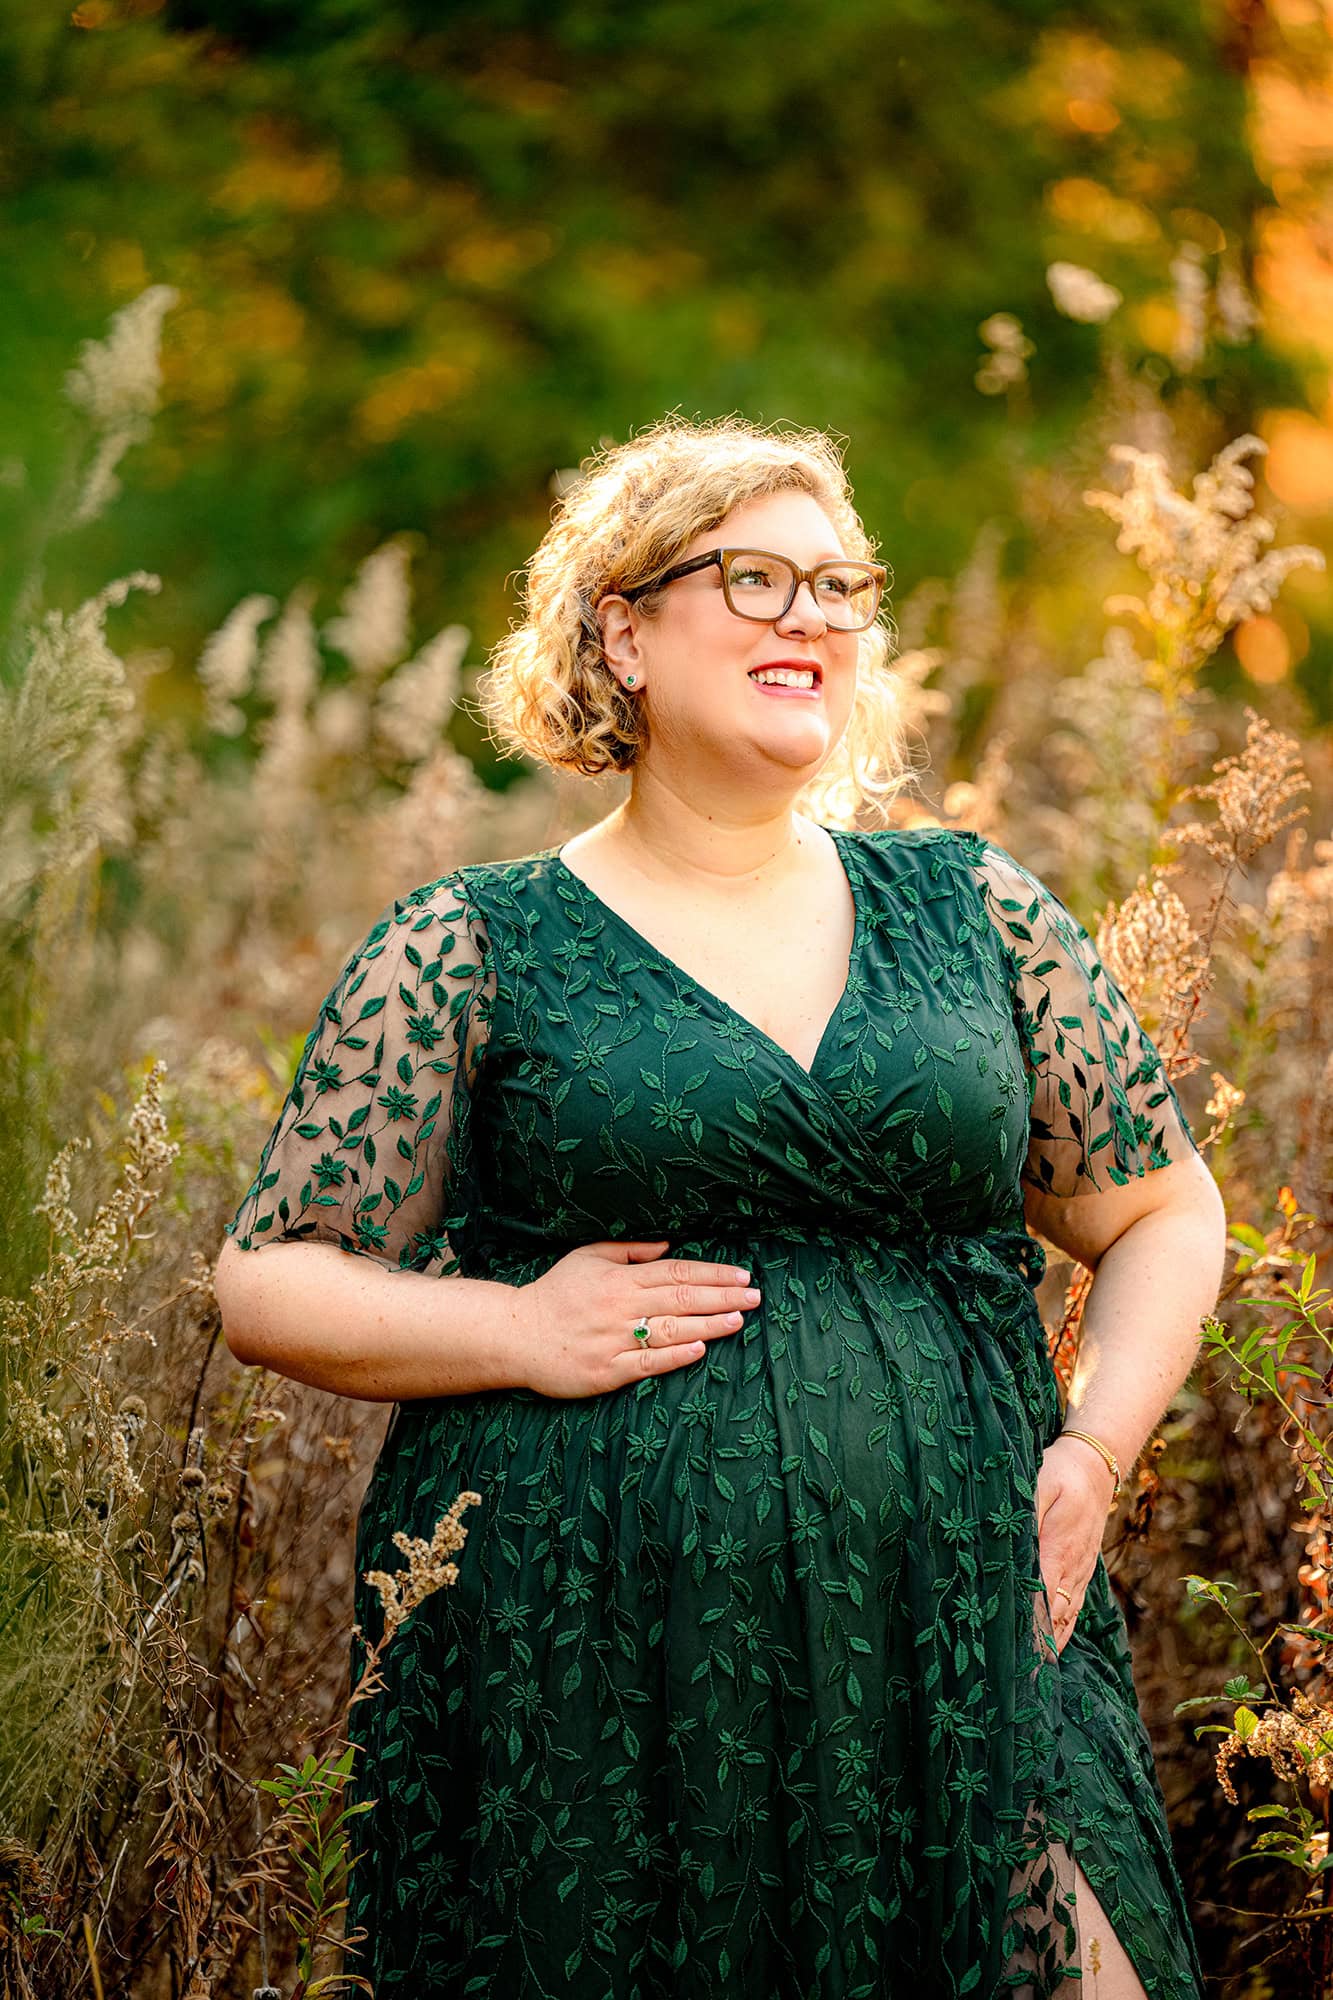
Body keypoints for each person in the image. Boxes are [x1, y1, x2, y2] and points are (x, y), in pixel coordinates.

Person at [216, 415, 1226, 2000]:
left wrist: (1094, 1452)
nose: (811, 617)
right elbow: (270, 1280)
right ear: (620, 627)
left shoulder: (971, 911)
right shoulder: (477, 945)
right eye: (753, 579)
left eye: (839, 584)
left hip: (956, 1617)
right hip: (590, 1653)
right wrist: (513, 1323)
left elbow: (1164, 1210)